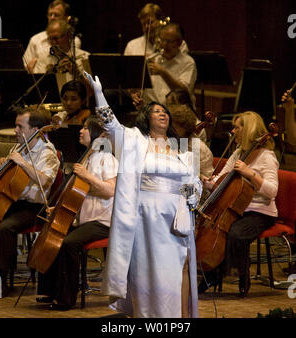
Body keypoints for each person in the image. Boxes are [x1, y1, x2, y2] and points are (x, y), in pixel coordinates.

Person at [85, 71, 203, 318]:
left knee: (175, 272)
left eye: (165, 112)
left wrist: (192, 195)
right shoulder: (134, 140)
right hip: (145, 217)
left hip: (175, 218)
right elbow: (111, 124)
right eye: (157, 111)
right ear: (146, 117)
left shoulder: (180, 149)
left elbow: (190, 182)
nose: (163, 114)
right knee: (148, 272)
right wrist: (99, 95)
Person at [36, 116, 118, 310]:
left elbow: (110, 190)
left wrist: (86, 176)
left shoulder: (108, 158)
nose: (81, 131)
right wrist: (58, 208)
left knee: (68, 243)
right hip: (86, 220)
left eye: (86, 128)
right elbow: (80, 193)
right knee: (53, 238)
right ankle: (51, 291)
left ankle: (66, 298)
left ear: (98, 134)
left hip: (103, 222)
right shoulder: (88, 158)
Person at [199, 111, 279, 297]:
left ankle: (243, 276)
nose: (233, 131)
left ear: (249, 130)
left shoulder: (267, 157)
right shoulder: (238, 153)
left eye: (237, 127)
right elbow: (222, 177)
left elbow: (272, 191)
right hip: (235, 209)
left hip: (260, 212)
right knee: (220, 231)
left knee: (236, 234)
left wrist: (250, 174)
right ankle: (212, 275)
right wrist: (210, 183)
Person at [0, 107, 60, 297]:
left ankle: (1, 280)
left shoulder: (48, 153)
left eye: (20, 126)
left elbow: (46, 180)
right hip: (14, 201)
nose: (15, 130)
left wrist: (23, 163)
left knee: (5, 228)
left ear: (35, 129)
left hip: (36, 208)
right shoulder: (20, 146)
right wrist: (3, 163)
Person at [130, 22, 197, 111]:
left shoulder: (188, 63)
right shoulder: (151, 60)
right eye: (162, 40)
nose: (164, 45)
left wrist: (163, 72)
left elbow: (183, 92)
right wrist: (135, 94)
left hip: (177, 114)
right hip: (151, 113)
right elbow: (135, 87)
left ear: (179, 43)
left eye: (168, 41)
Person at [29, 19, 90, 92]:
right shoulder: (43, 57)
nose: (53, 43)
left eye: (56, 38)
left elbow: (92, 92)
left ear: (68, 36)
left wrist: (77, 73)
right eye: (50, 39)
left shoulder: (84, 57)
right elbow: (38, 88)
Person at [23, 0, 81, 72]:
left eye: (56, 15)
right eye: (50, 15)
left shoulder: (73, 40)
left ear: (66, 18)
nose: (52, 18)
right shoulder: (35, 40)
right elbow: (26, 67)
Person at [124, 3, 188, 57]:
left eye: (150, 22)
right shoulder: (132, 46)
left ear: (160, 21)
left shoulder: (178, 44)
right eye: (144, 24)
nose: (147, 27)